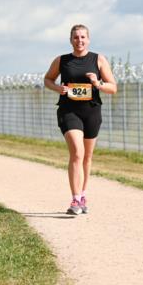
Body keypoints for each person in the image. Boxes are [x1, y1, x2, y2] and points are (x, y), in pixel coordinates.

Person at [43, 24, 117, 214]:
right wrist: (57, 88)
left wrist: (97, 83)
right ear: (71, 40)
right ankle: (75, 200)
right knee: (77, 152)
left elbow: (113, 87)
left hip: (92, 111)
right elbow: (48, 79)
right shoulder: (62, 60)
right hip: (69, 110)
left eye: (83, 37)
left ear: (88, 39)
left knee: (87, 157)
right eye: (76, 37)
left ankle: (83, 195)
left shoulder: (98, 59)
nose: (79, 41)